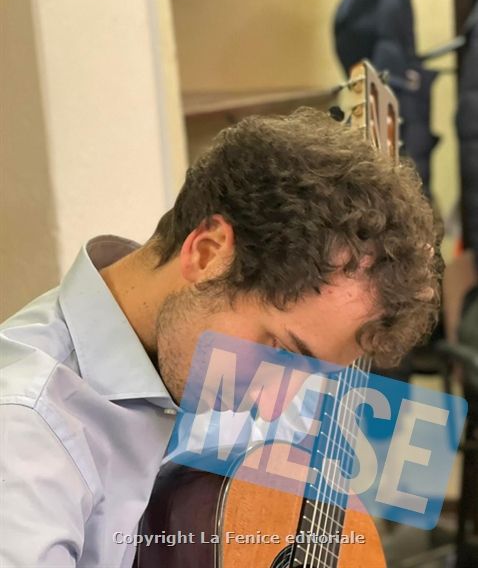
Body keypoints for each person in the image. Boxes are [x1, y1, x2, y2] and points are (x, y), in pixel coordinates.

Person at [0, 108, 441, 567]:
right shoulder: (24, 432)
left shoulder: (209, 361)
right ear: (207, 254)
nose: (275, 408)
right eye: (282, 352)